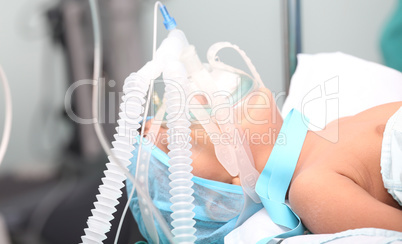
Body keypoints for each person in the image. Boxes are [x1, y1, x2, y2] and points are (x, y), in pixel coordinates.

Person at [142, 87, 402, 235]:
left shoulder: (333, 130)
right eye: (176, 143)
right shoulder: (312, 190)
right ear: (218, 203)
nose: (199, 103)